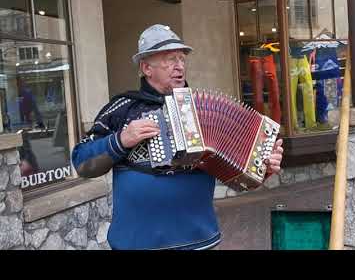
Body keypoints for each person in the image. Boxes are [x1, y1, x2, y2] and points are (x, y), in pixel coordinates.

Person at [71, 24, 284, 250]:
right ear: (146, 68)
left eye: (182, 59)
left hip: (200, 242)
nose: (179, 66)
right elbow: (82, 163)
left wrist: (264, 167)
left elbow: (241, 180)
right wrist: (121, 140)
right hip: (138, 244)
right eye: (169, 59)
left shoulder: (205, 112)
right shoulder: (122, 108)